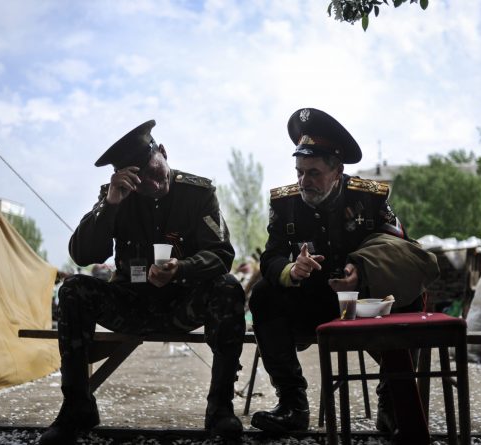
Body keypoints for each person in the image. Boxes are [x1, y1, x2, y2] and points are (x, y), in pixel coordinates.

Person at [38, 120, 246, 445]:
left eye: (154, 169)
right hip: (131, 304)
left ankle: (220, 409)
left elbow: (221, 254)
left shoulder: (198, 193)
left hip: (183, 304)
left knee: (228, 287)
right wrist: (111, 205)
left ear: (162, 152)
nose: (151, 182)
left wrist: (182, 268)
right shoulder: (117, 197)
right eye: (140, 179)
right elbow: (83, 254)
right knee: (74, 289)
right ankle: (77, 407)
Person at [248, 108, 428, 443]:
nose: (304, 181)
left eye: (314, 173)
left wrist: (362, 271)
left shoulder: (369, 197)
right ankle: (292, 405)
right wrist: (290, 270)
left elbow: (404, 249)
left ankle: (394, 404)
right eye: (300, 172)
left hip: (363, 304)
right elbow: (270, 257)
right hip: (311, 302)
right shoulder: (285, 203)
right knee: (263, 294)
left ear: (337, 170)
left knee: (409, 297)